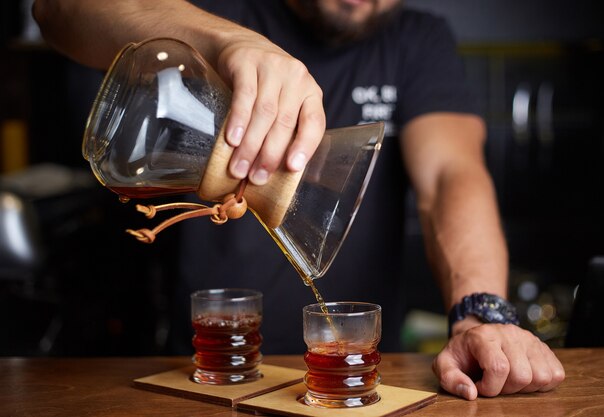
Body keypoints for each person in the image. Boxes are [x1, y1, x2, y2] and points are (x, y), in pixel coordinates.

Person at [33, 0, 564, 400]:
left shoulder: (415, 39)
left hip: (358, 385)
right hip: (205, 379)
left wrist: (480, 314)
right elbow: (56, 9)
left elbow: (452, 176)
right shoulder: (221, 10)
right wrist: (229, 42)